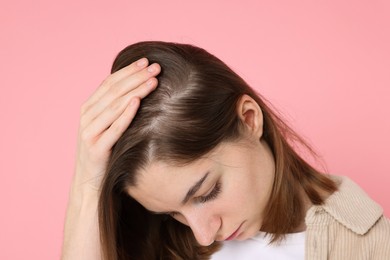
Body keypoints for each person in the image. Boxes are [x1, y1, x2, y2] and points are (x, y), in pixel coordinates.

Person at [62, 41, 390, 259]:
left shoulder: (370, 246)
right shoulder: (166, 242)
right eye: (172, 213)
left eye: (206, 192)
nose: (203, 235)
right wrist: (88, 183)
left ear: (249, 119)